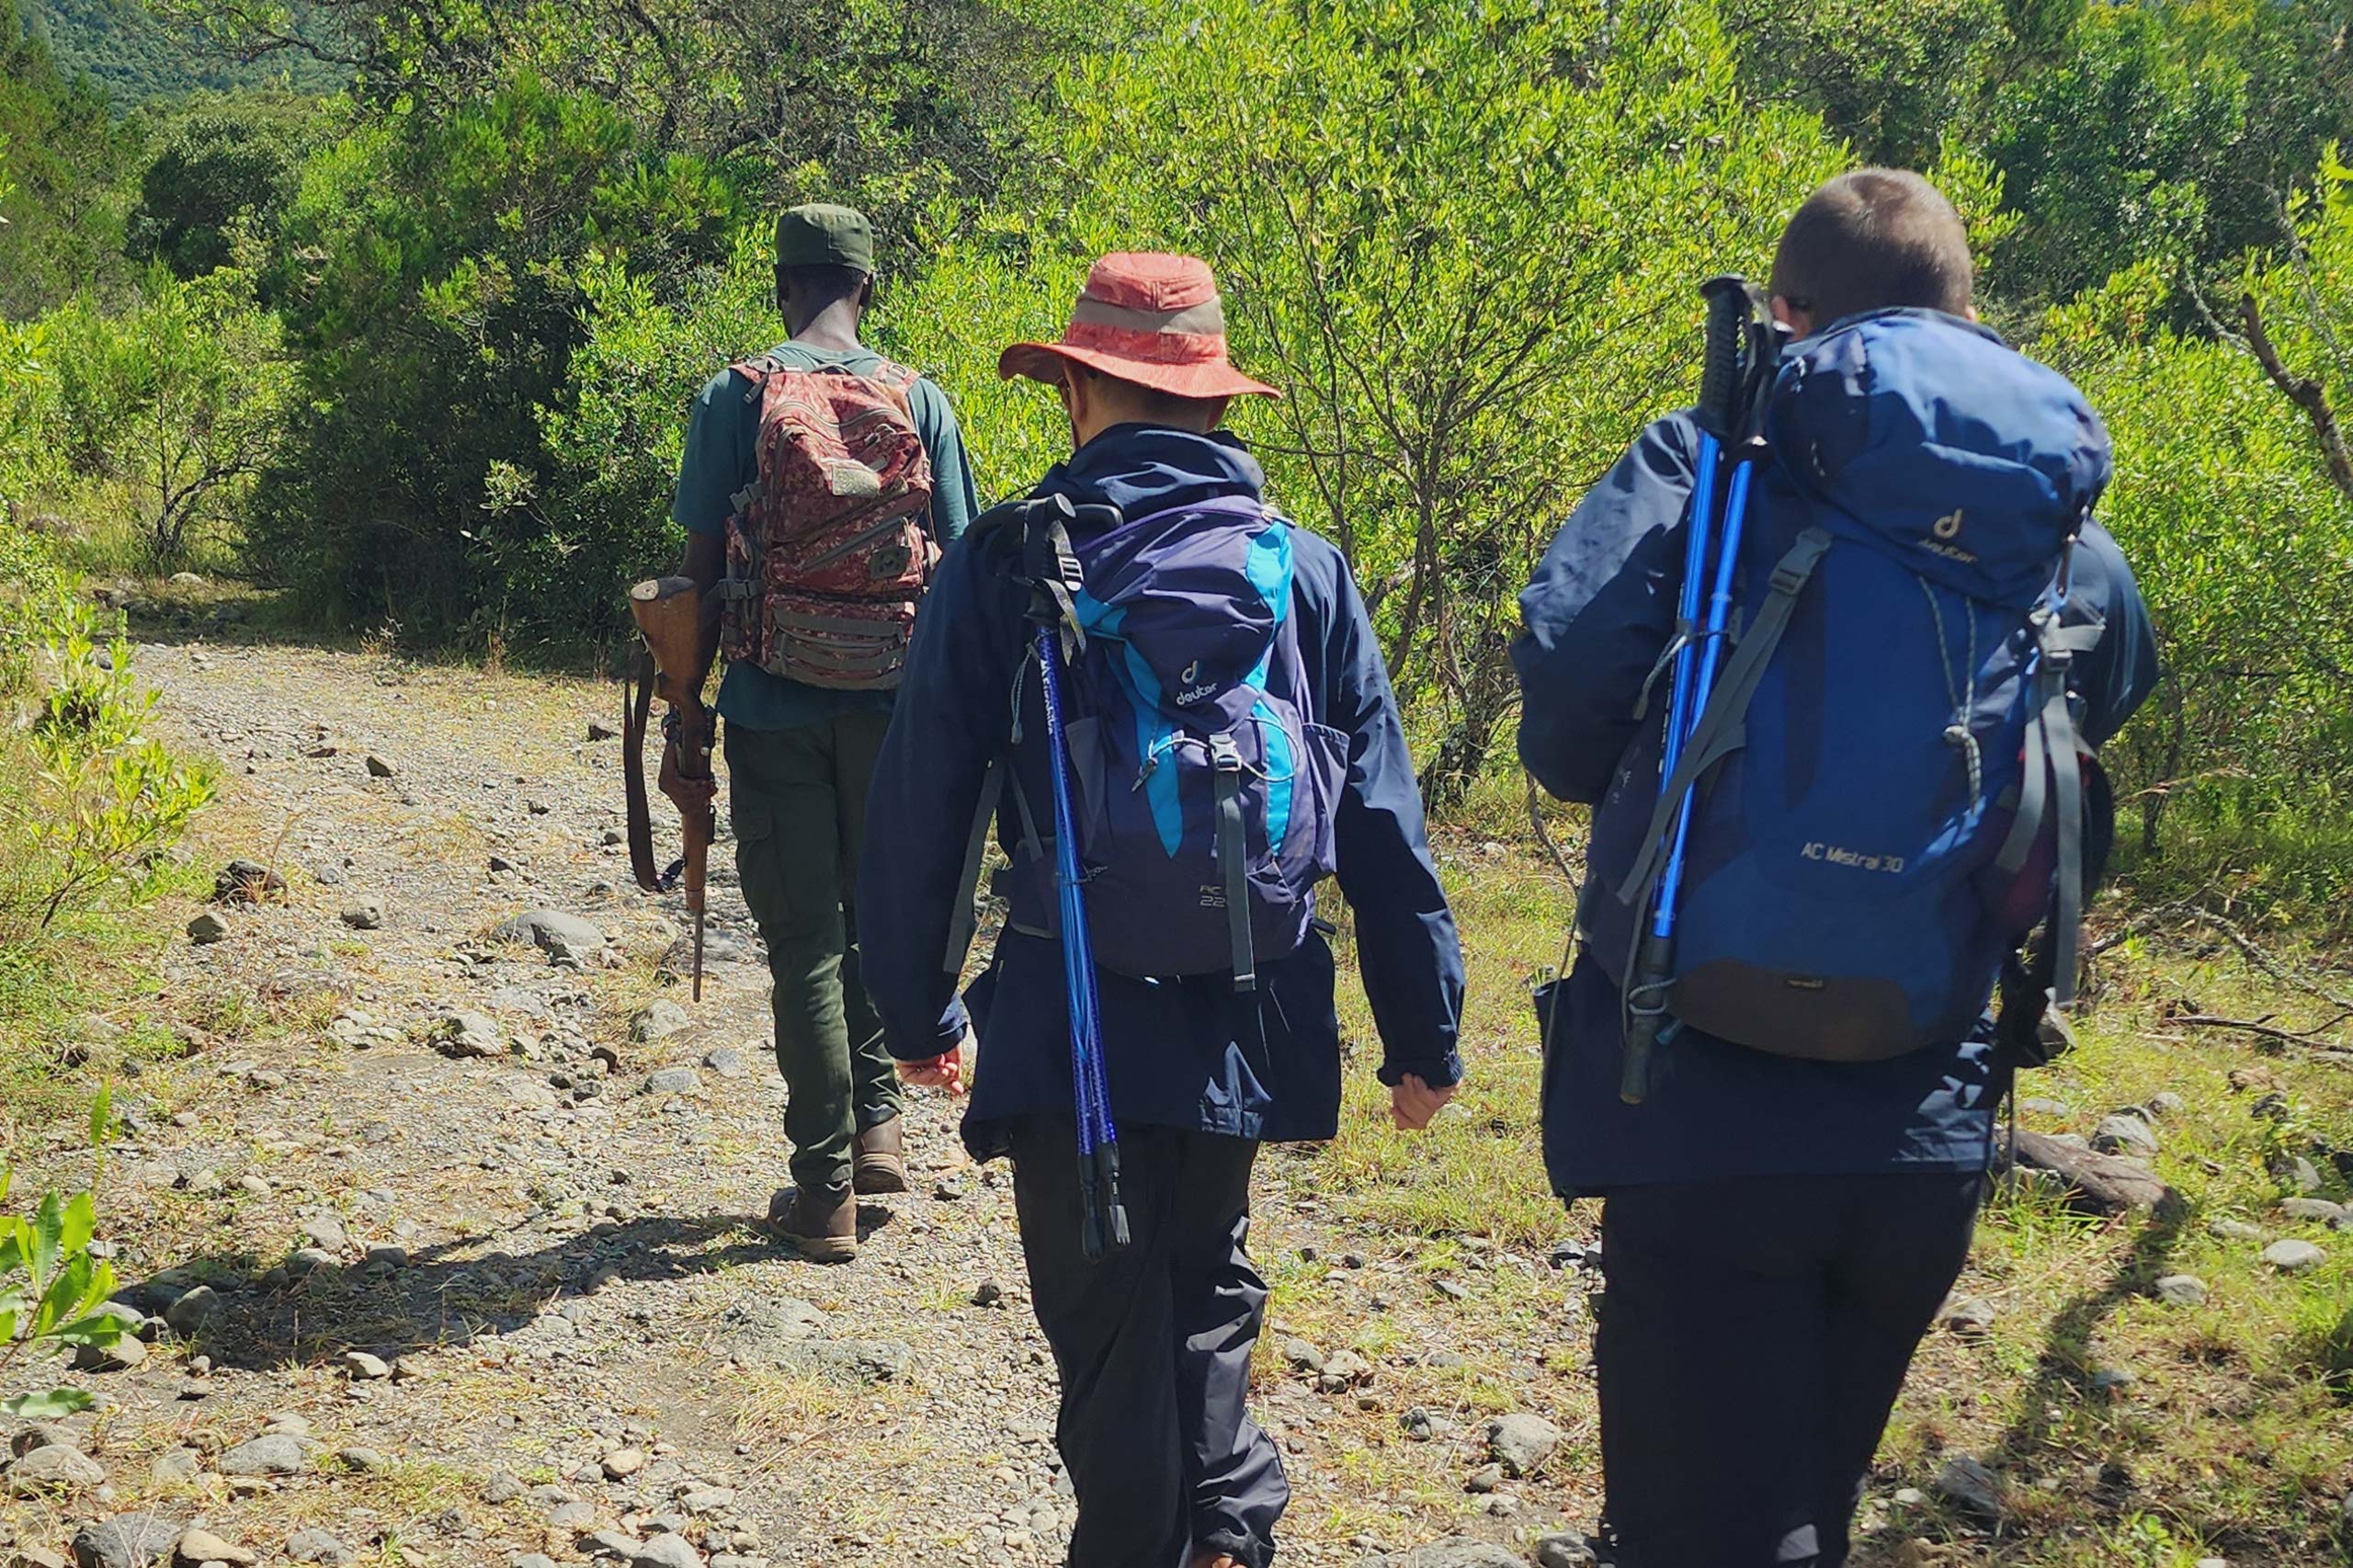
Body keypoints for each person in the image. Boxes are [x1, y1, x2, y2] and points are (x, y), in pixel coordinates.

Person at [1512, 170, 2159, 1568]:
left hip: (1696, 1088)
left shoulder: (1710, 466)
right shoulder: (2050, 528)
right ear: (1966, 317)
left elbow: (1564, 720)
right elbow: (2102, 696)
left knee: (1703, 1526)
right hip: (1925, 1100)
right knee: (1808, 1485)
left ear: (1788, 317)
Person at [858, 252, 1468, 1568]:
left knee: (1104, 1325)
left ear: (1078, 390)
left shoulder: (1006, 561)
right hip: (1247, 1013)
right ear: (1215, 406)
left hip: (1069, 1015)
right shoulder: (1304, 573)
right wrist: (1425, 1033)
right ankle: (1228, 1536)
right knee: (1207, 1287)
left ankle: (1147, 1544)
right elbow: (1383, 829)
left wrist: (917, 1005)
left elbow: (924, 808)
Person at [665, 202, 982, 1262]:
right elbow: (964, 566)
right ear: (869, 290)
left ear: (780, 287)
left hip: (771, 700)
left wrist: (684, 713)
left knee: (802, 937)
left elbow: (698, 572)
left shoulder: (737, 394)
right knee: (873, 913)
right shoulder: (920, 397)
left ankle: (825, 1190)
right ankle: (879, 1121)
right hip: (896, 709)